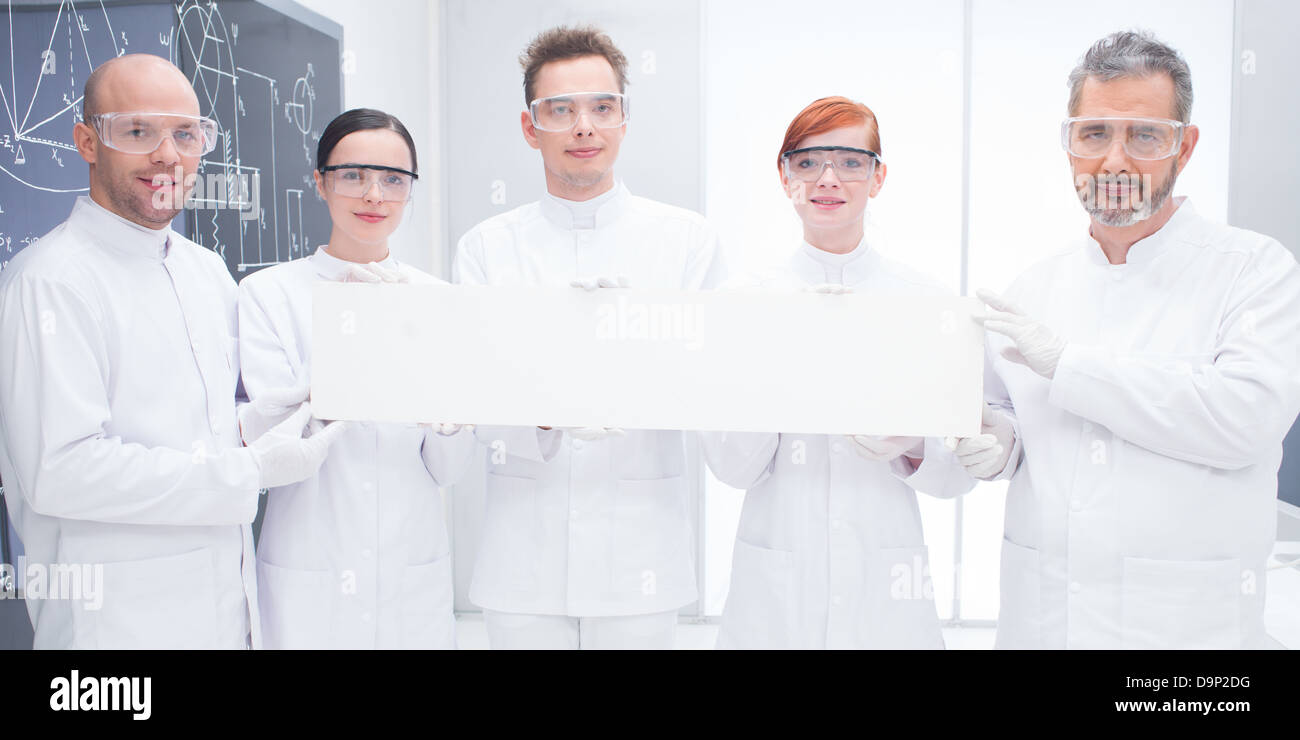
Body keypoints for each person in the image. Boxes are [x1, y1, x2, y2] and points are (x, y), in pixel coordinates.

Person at [0, 54, 343, 649]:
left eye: (186, 133)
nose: (168, 155)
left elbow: (191, 428)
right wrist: (250, 470)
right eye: (139, 131)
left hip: (223, 613)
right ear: (87, 141)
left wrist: (259, 423)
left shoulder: (204, 269)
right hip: (115, 632)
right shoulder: (50, 281)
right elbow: (61, 472)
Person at [973, 31, 1300, 649]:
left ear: (1186, 145)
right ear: (1069, 143)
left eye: (1145, 135)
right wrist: (996, 441)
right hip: (1045, 625)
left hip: (1183, 642)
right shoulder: (1033, 287)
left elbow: (1247, 419)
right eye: (1094, 133)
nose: (1115, 160)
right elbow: (1012, 425)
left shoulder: (1254, 270)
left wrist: (1070, 366)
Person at [453, 25, 726, 649]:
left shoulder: (686, 241)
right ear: (530, 127)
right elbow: (473, 396)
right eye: (561, 110)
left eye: (603, 107)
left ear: (624, 121)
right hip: (523, 558)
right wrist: (545, 415)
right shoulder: (487, 249)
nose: (584, 127)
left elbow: (708, 378)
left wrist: (628, 349)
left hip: (642, 554)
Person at [701, 97, 981, 649]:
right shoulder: (741, 302)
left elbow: (958, 477)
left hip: (887, 584)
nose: (828, 178)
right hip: (776, 587)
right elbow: (731, 469)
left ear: (878, 178)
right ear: (785, 176)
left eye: (852, 162)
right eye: (808, 162)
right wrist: (779, 380)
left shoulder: (926, 302)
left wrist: (915, 443)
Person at [237, 108, 477, 649]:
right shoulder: (269, 295)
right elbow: (277, 449)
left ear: (410, 191)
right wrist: (362, 338)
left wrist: (447, 424)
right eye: (353, 175)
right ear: (320, 182)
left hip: (410, 573)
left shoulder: (440, 302)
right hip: (308, 574)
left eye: (393, 179)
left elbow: (450, 469)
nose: (374, 195)